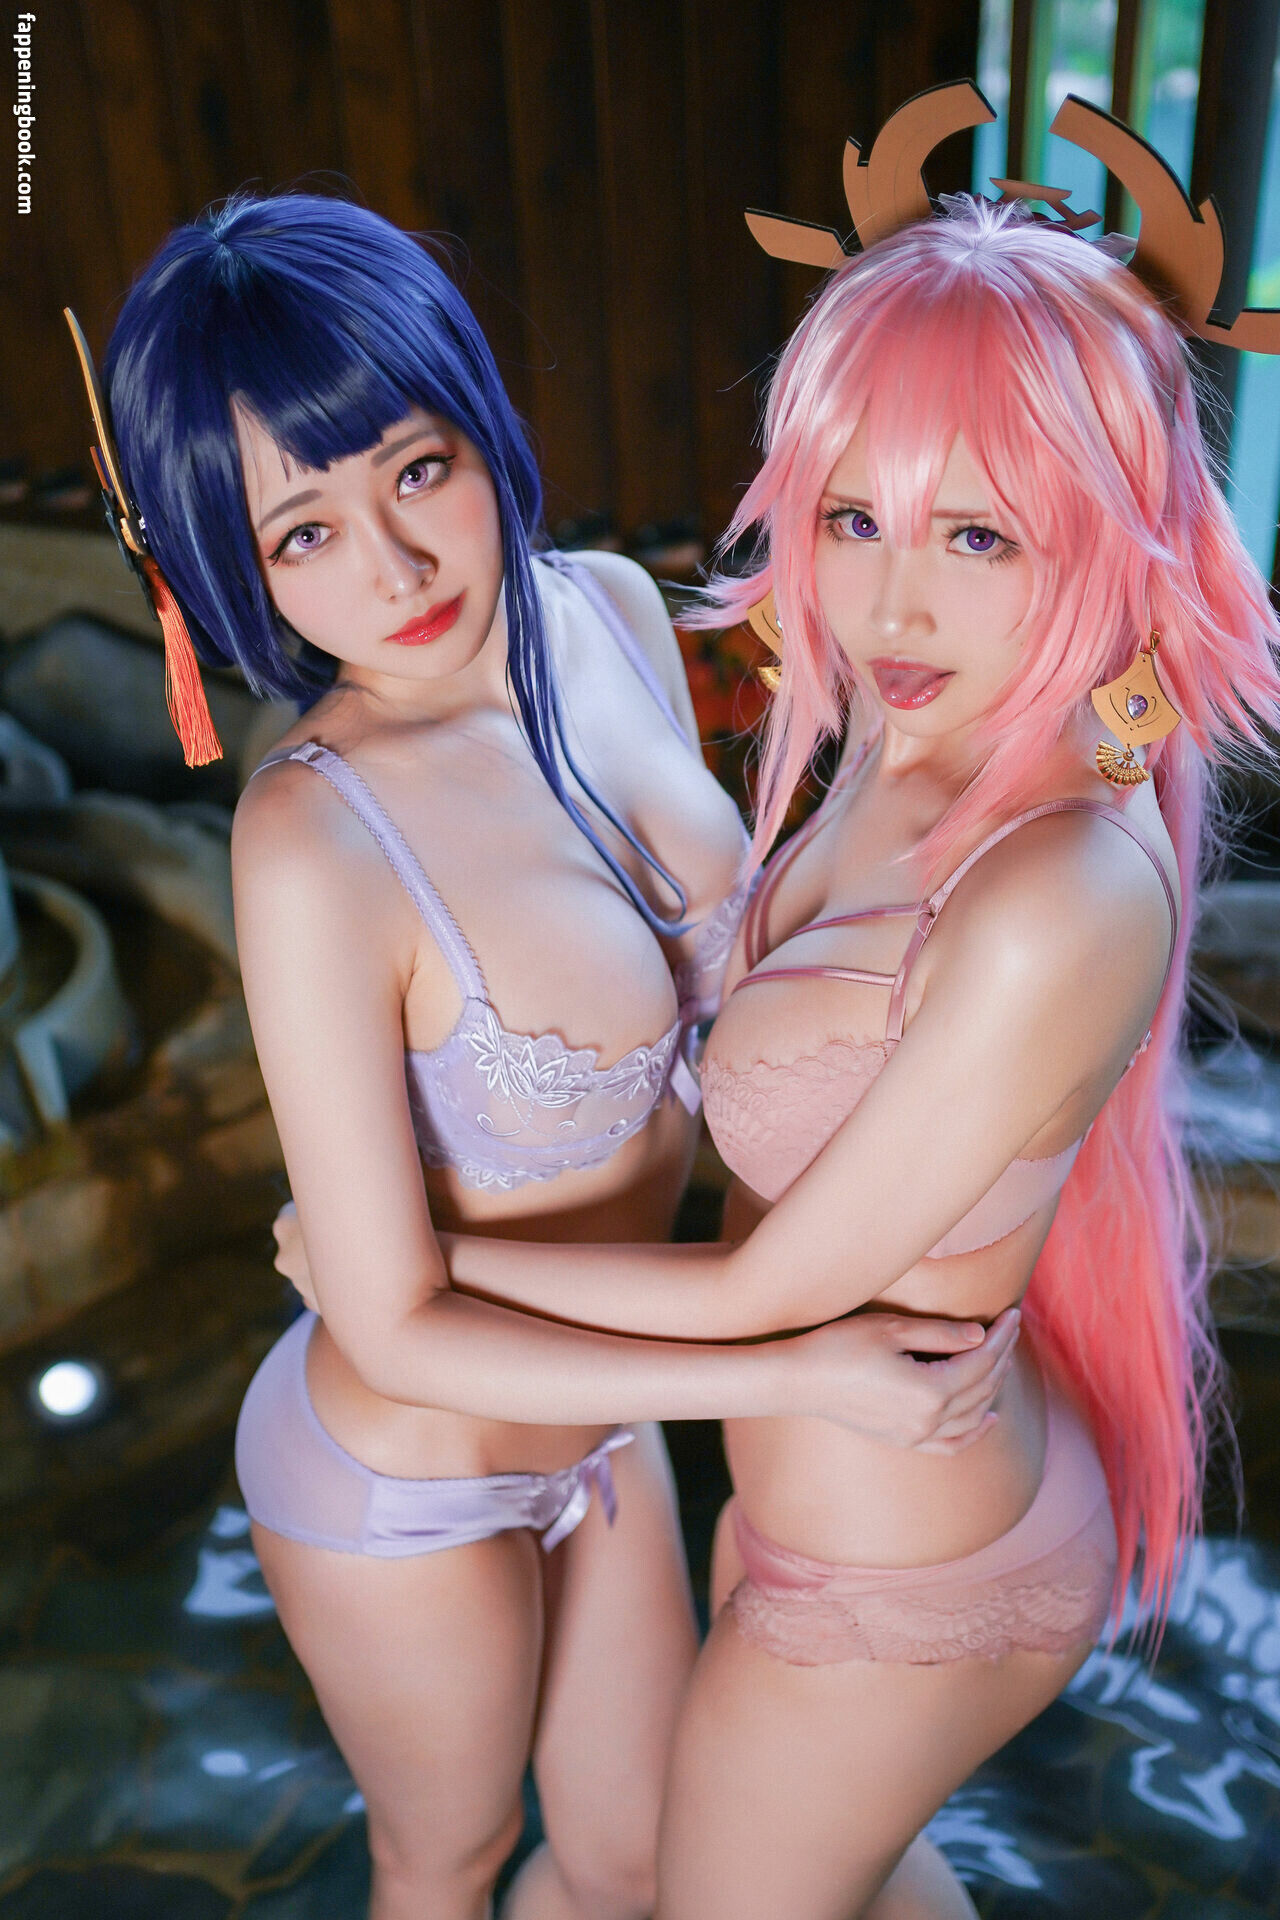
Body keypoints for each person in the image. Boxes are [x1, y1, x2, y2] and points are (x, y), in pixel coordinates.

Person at [88, 192, 1014, 1920]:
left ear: (478, 418)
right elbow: (391, 1322)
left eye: (417, 470)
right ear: (227, 566)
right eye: (303, 532)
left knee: (634, 1866)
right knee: (441, 1863)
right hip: (409, 1475)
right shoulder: (315, 837)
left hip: (602, 1427)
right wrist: (800, 1371)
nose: (394, 569)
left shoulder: (603, 611)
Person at [365, 192, 1280, 1917]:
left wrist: (402, 1262)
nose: (893, 602)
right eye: (856, 517)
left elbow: (766, 1291)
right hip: (835, 1499)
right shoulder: (914, 737)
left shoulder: (1059, 892)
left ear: (1105, 535)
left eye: (981, 536)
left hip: (908, 1577)